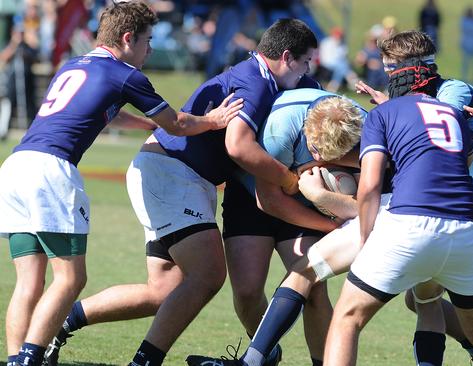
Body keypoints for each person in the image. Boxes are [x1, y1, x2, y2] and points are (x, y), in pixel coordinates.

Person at [44, 18, 318, 366]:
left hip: (169, 173)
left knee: (163, 290)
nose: (307, 71)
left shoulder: (256, 76)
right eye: (306, 62)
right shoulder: (257, 82)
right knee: (207, 274)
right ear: (287, 57)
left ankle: (60, 324)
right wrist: (291, 181)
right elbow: (238, 147)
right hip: (174, 174)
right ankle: (144, 361)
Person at [0, 2, 239, 366]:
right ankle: (29, 358)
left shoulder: (75, 64)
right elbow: (177, 123)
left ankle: (16, 357)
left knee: (29, 281)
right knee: (69, 279)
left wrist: (148, 125)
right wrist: (213, 120)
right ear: (128, 38)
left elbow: (107, 113)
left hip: (15, 166)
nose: (150, 49)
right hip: (51, 172)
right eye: (147, 41)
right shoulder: (125, 74)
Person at [323, 56, 473, 366]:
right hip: (467, 229)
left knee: (347, 317)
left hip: (411, 224)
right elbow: (464, 162)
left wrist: (365, 238)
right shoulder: (451, 114)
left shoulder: (383, 113)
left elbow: (370, 184)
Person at [358, 30, 473, 365]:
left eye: (392, 68)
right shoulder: (407, 99)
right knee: (421, 300)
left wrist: (390, 109)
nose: (388, 75)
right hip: (448, 210)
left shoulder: (454, 90)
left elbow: (436, 127)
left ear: (415, 66)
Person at [186, 88, 366, 366]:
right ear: (308, 132)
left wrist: (327, 196)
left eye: (328, 156)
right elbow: (269, 201)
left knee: (313, 281)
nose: (319, 158)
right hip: (253, 196)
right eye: (315, 151)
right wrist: (331, 225)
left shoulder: (363, 130)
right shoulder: (280, 129)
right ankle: (265, 355)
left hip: (307, 204)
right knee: (247, 293)